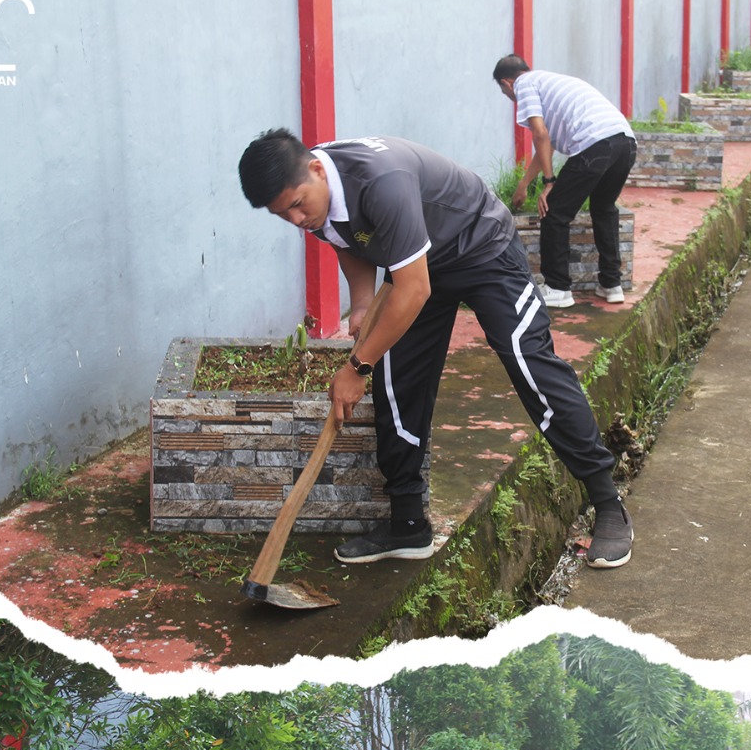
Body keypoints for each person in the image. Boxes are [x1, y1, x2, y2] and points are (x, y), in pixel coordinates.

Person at [238, 129, 633, 569]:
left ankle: (607, 502)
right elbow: (343, 237)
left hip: (482, 248)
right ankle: (408, 525)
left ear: (314, 168)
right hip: (418, 261)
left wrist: (355, 367)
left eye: (295, 204)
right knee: (396, 379)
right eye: (282, 215)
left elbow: (414, 290)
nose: (295, 219)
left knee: (528, 363)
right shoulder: (316, 195)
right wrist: (364, 301)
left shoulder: (378, 181)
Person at [492, 56, 637, 309]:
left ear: (507, 83)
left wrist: (549, 183)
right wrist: (524, 184)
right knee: (604, 209)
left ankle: (558, 288)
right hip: (625, 142)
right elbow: (544, 145)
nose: (508, 96)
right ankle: (611, 284)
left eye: (504, 91)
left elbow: (540, 134)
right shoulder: (550, 82)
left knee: (554, 211)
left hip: (595, 144)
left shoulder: (524, 85)